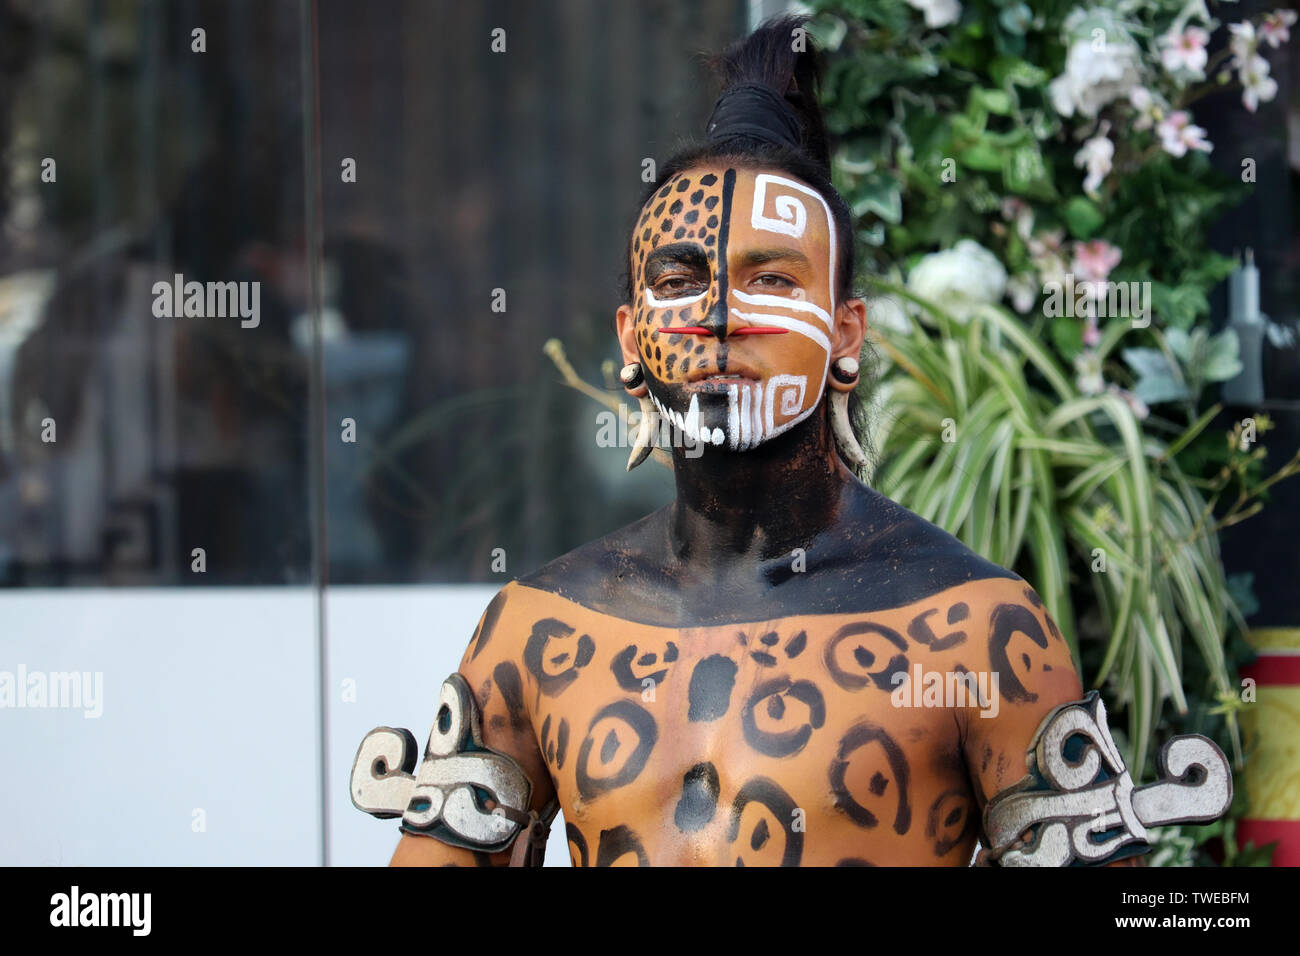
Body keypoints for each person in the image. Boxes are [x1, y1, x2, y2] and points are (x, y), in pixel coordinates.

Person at [364, 14, 1228, 867]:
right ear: (632, 340)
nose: (717, 316)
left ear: (847, 332)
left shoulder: (972, 633)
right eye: (679, 279)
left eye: (770, 277)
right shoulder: (538, 630)